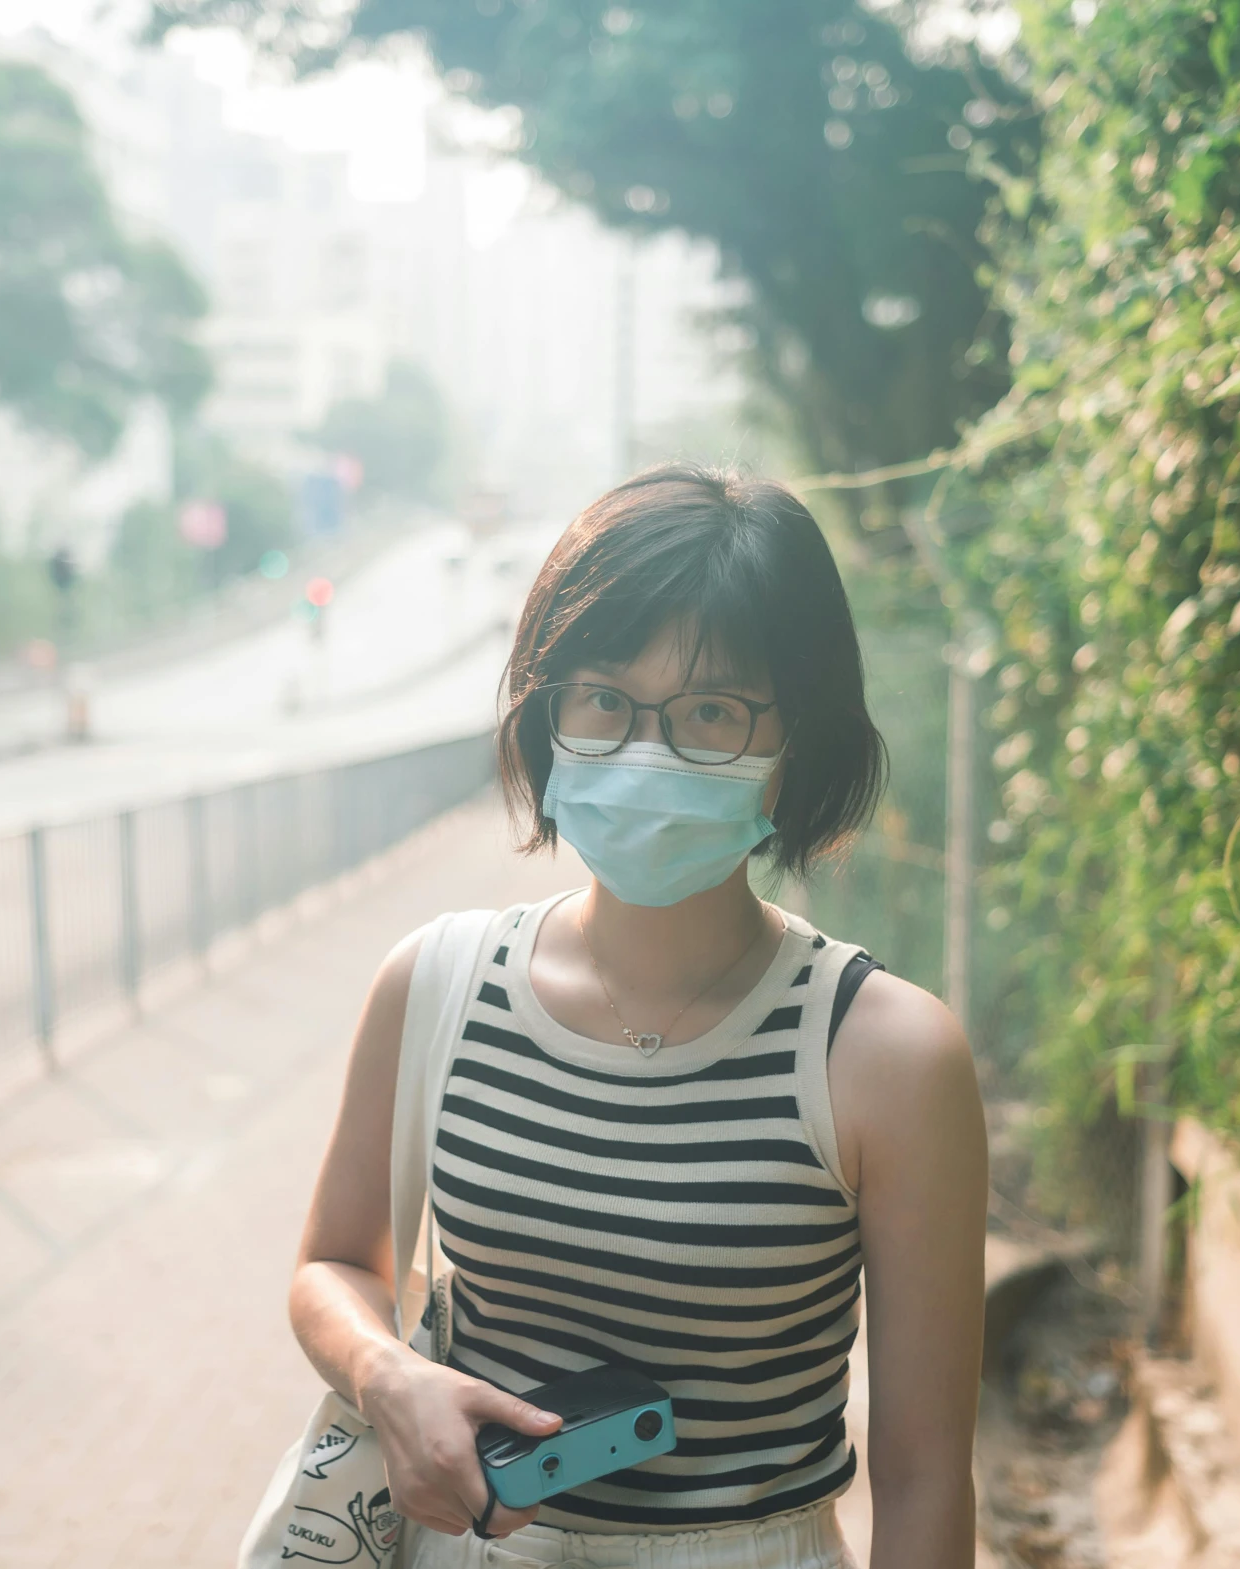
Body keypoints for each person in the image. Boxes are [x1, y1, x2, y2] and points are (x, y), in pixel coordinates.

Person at [288, 466, 987, 1569]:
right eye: (606, 698)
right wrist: (390, 1377)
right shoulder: (433, 987)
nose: (648, 749)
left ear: (795, 740)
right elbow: (333, 1264)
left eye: (711, 710)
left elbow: (924, 1474)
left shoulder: (887, 1057)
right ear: (548, 710)